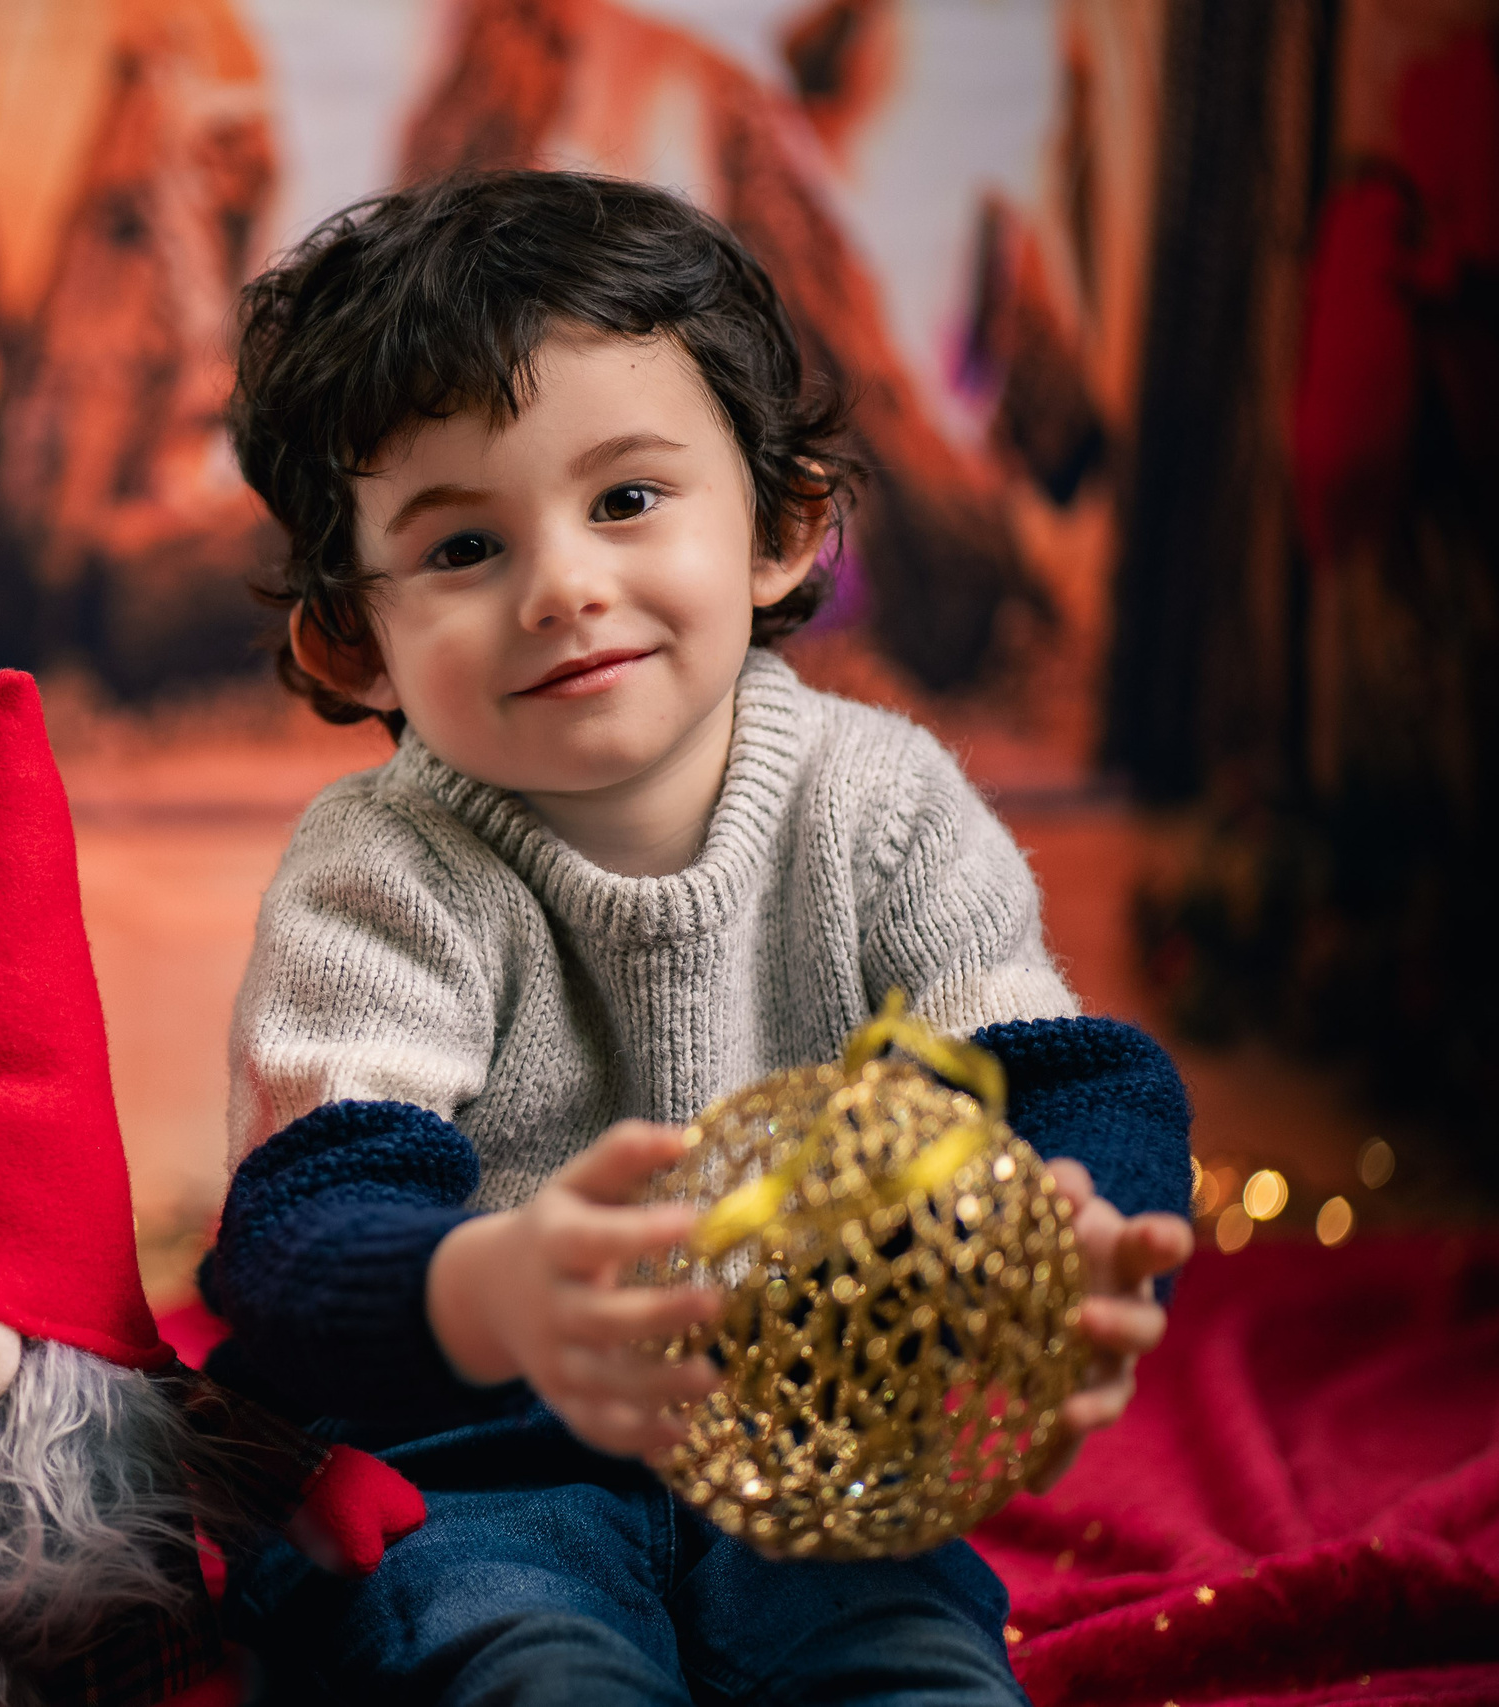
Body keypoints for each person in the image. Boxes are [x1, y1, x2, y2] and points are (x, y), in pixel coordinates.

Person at [197, 171, 1198, 1706]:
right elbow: (297, 1237)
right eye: (463, 548)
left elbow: (1064, 1072)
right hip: (468, 1461)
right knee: (514, 1658)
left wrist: (1074, 1227)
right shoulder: (380, 868)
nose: (563, 589)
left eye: (626, 499)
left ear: (784, 529)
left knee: (915, 1663)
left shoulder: (881, 801)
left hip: (819, 1443)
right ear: (352, 636)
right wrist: (490, 1287)